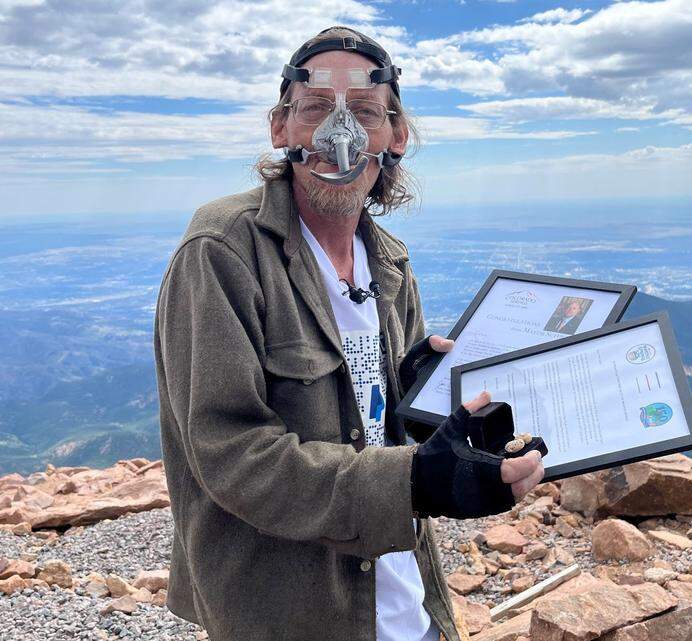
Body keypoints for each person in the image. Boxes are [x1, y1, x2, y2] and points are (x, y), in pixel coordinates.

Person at [152, 26, 545, 641]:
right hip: (287, 615)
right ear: (281, 128)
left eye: (363, 112)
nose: (342, 135)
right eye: (316, 111)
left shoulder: (388, 261)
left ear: (395, 135)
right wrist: (415, 481)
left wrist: (423, 405)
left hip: (405, 602)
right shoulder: (223, 250)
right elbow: (230, 454)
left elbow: (379, 426)